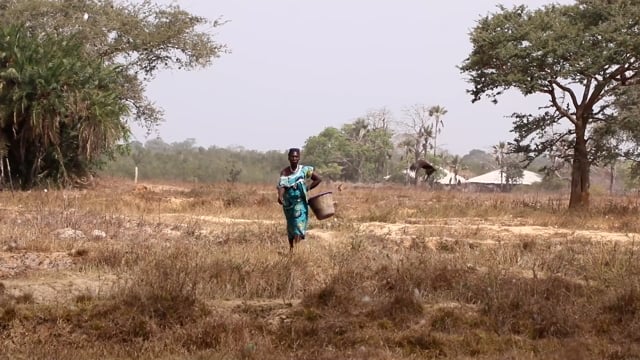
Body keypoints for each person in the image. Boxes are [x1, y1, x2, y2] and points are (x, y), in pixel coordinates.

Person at [277, 148, 322, 250]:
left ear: (299, 158)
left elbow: (318, 179)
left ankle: (296, 249)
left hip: (300, 203)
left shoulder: (304, 170)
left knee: (299, 223)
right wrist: (280, 196)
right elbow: (282, 186)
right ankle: (292, 248)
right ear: (288, 157)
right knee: (291, 226)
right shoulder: (285, 172)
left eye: (296, 156)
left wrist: (306, 188)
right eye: (292, 156)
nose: (294, 158)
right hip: (288, 204)